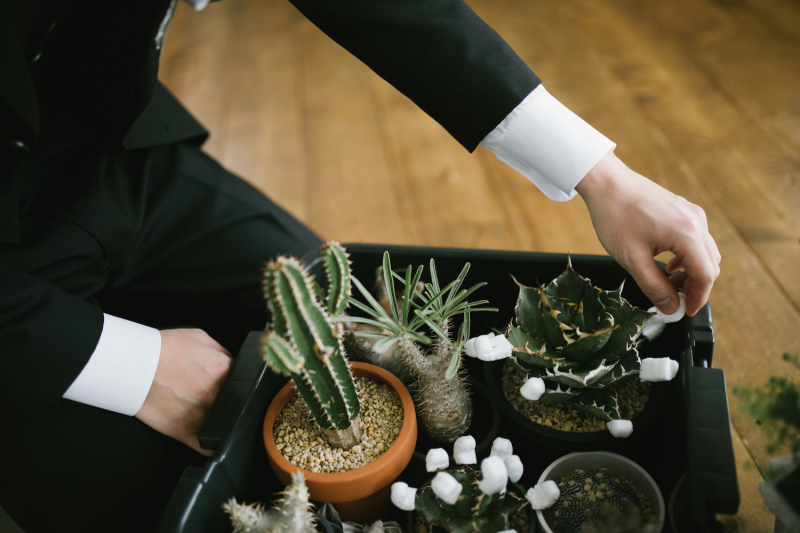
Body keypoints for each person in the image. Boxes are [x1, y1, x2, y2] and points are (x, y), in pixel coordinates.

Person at [0, 0, 720, 531]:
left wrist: (603, 177)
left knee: (331, 293)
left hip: (115, 151)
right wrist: (135, 365)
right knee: (172, 497)